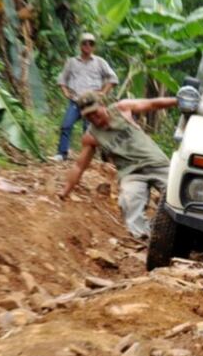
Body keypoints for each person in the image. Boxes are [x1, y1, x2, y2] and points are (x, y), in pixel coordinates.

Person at [59, 92, 176, 239]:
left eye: (95, 112)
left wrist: (179, 101)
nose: (93, 118)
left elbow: (153, 103)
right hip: (131, 173)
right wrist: (65, 192)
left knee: (177, 193)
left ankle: (178, 231)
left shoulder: (122, 109)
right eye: (88, 116)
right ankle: (145, 238)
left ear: (102, 106)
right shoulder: (91, 136)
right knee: (128, 201)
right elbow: (79, 166)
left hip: (156, 163)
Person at [54, 33, 119, 162]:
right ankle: (62, 154)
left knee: (88, 130)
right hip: (76, 100)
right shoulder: (72, 62)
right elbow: (62, 78)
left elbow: (113, 78)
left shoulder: (100, 62)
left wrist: (103, 92)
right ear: (80, 45)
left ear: (94, 47)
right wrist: (65, 91)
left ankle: (86, 157)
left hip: (92, 102)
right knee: (66, 125)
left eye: (91, 43)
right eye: (85, 43)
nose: (88, 46)